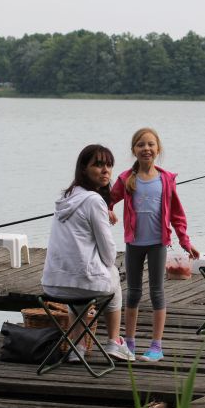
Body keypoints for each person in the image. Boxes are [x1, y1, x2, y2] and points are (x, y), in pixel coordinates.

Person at [109, 127, 199, 361]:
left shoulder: (166, 179)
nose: (146, 148)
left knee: (157, 292)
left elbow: (177, 215)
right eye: (140, 145)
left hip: (158, 243)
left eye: (150, 144)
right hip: (134, 244)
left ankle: (156, 346)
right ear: (134, 150)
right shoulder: (126, 179)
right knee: (133, 293)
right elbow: (106, 200)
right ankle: (128, 343)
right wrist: (109, 211)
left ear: (158, 149)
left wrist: (185, 242)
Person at [41, 144, 135, 363]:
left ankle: (77, 348)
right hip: (80, 284)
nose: (106, 170)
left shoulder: (67, 198)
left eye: (109, 165)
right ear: (83, 169)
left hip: (53, 284)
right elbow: (109, 252)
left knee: (84, 283)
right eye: (98, 165)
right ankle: (114, 342)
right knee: (111, 276)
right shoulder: (94, 201)